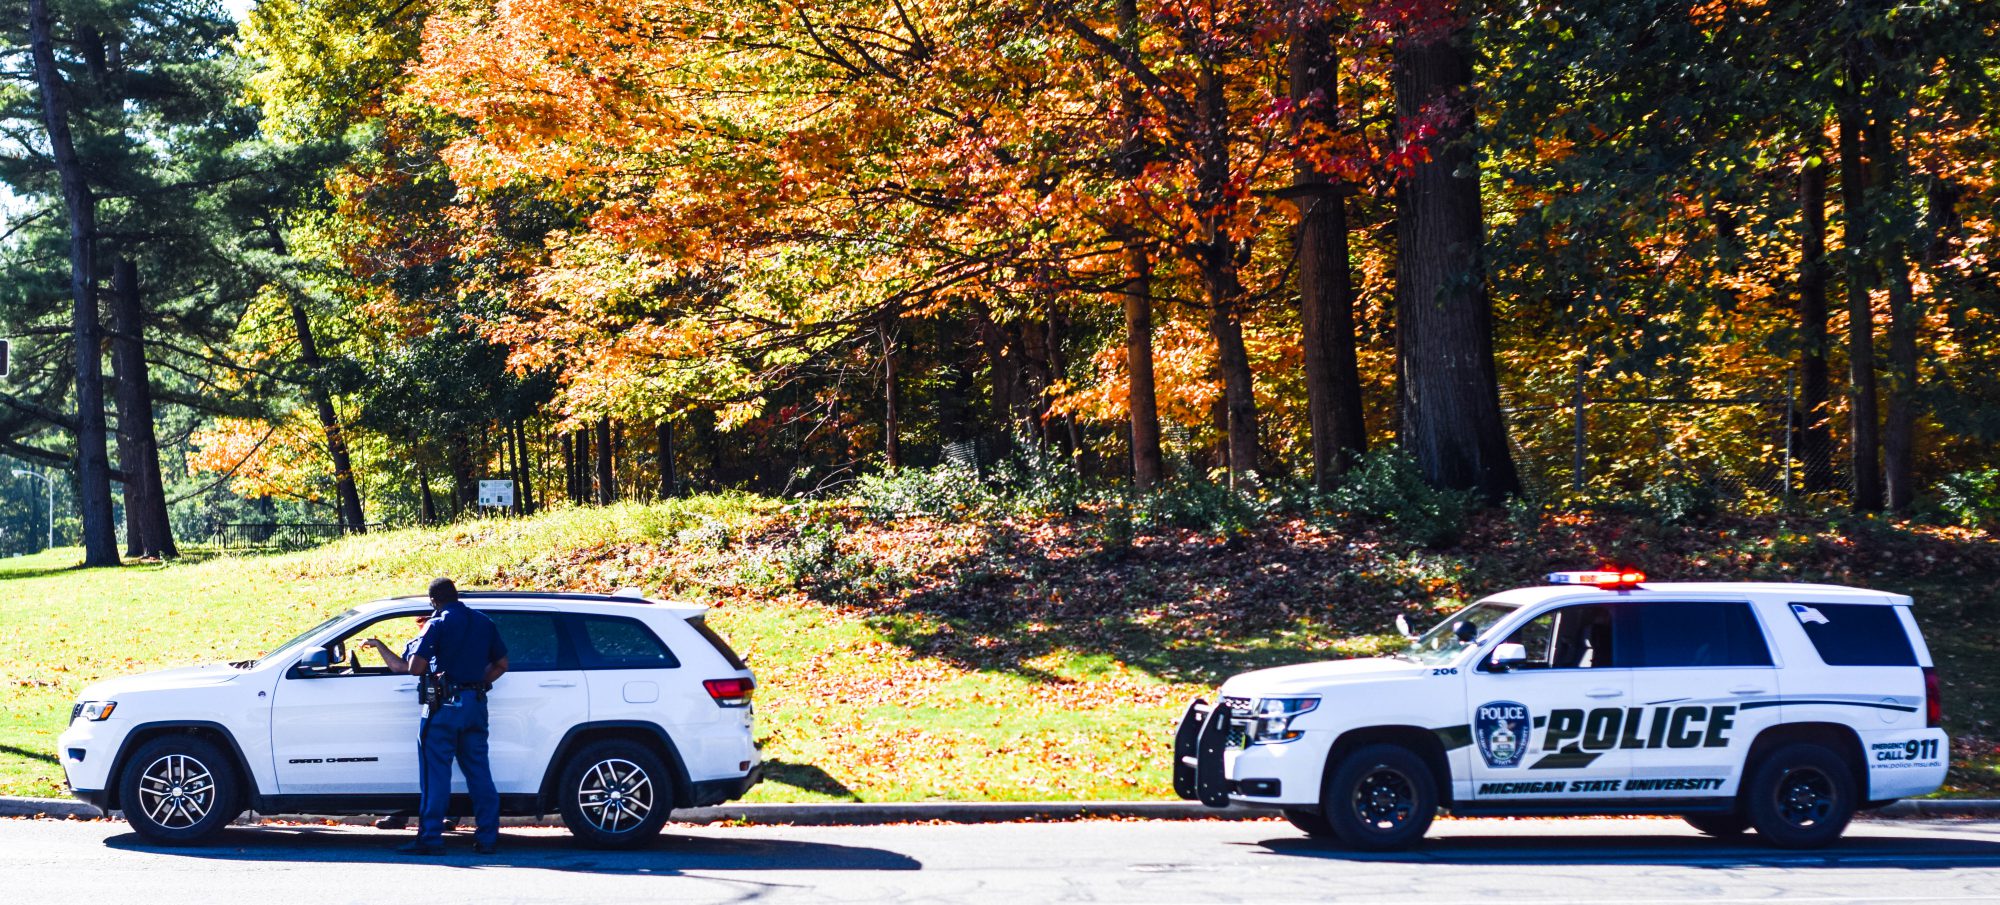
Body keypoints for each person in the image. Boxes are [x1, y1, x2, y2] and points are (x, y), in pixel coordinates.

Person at [395, 578, 509, 855]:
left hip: (444, 707)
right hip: (475, 704)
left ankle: (430, 839)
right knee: (479, 773)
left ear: (433, 600)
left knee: (436, 774)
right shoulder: (483, 621)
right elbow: (502, 664)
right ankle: (487, 838)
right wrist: (478, 683)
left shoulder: (437, 623)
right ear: (455, 595)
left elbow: (415, 667)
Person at [363, 616, 453, 833]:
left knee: (438, 763)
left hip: (436, 705)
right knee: (413, 765)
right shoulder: (415, 643)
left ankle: (438, 818)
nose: (423, 625)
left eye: (426, 621)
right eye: (421, 622)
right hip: (419, 705)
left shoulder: (443, 640)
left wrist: (379, 646)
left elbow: (404, 668)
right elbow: (402, 668)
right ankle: (402, 813)